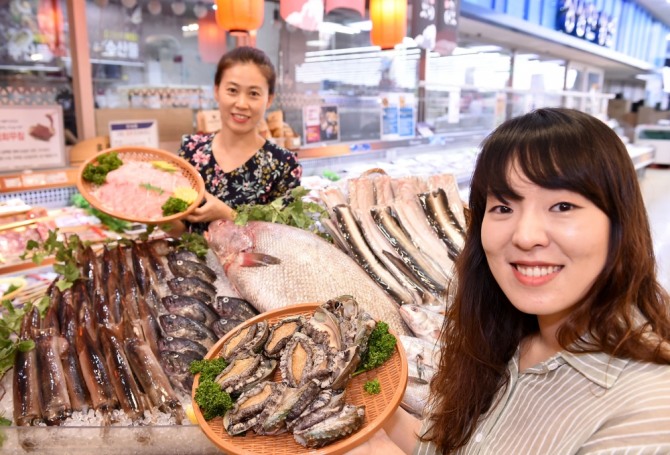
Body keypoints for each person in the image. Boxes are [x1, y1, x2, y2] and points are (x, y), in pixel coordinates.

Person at [348, 108, 670, 454]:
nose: (526, 236)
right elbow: (442, 447)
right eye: (503, 207)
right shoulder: (501, 339)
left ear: (618, 223)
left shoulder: (650, 410)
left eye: (562, 206)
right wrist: (366, 405)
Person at [172, 46, 302, 235]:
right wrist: (159, 216)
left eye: (254, 94)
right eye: (232, 90)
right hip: (192, 264)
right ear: (217, 91)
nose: (241, 103)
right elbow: (182, 233)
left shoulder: (285, 165)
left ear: (269, 99)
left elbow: (284, 239)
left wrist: (226, 214)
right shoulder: (191, 150)